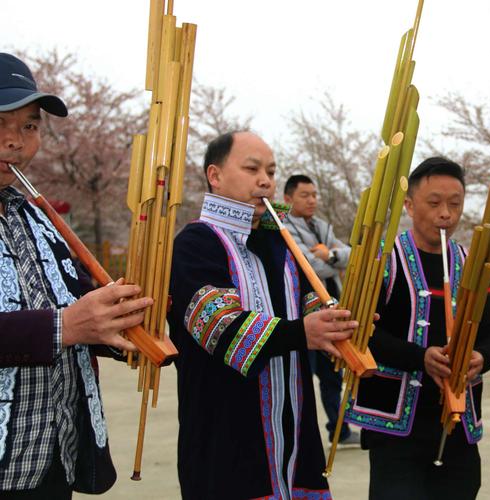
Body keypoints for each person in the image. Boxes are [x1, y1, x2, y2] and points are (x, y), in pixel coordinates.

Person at [167, 131, 358, 500]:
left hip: (295, 428)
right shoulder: (195, 243)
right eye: (252, 168)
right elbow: (219, 327)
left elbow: (309, 303)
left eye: (270, 171)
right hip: (225, 434)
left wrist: (339, 325)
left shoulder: (281, 244)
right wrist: (303, 333)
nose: (265, 181)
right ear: (215, 175)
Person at [0, 53, 152, 498]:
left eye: (29, 126)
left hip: (50, 461)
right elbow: (67, 323)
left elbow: (82, 308)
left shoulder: (36, 217)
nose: (15, 142)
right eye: (1, 122)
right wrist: (62, 326)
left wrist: (125, 318)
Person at [344, 157, 490, 500]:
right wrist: (421, 357)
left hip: (457, 420)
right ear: (409, 204)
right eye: (434, 203)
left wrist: (481, 357)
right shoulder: (383, 262)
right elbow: (360, 333)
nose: (445, 213)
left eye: (455, 203)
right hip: (395, 427)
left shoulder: (473, 264)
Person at [283, 174, 358, 446]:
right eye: (305, 195)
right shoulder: (284, 228)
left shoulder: (322, 227)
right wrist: (331, 259)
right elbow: (309, 267)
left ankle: (341, 431)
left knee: (331, 376)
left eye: (314, 194)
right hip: (303, 316)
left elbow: (350, 256)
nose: (312, 200)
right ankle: (300, 437)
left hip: (332, 308)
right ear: (288, 199)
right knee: (300, 377)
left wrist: (332, 255)